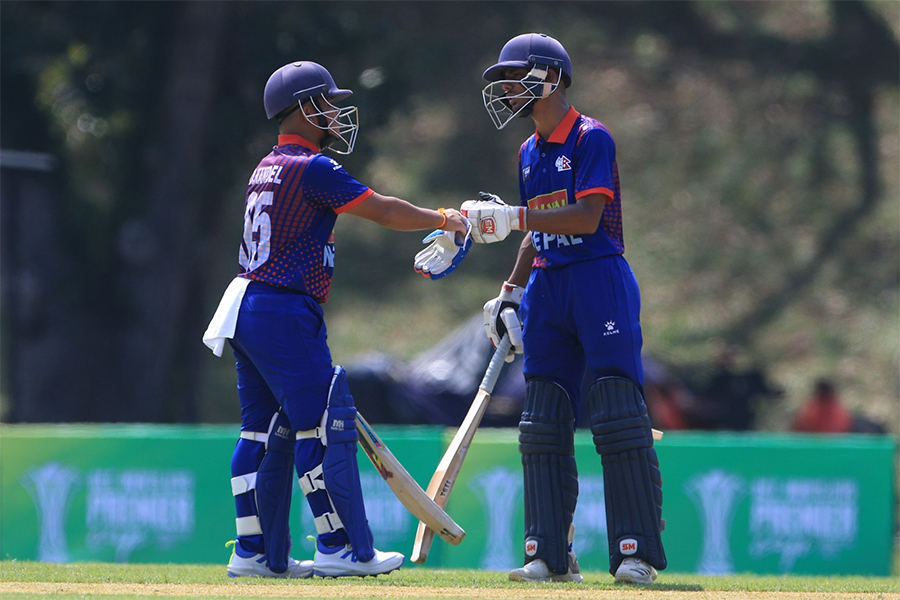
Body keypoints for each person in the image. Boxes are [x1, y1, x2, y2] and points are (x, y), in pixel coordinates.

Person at [202, 61, 469, 578]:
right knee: (324, 425)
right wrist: (443, 218)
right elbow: (383, 210)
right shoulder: (312, 167)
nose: (334, 113)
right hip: (282, 307)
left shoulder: (266, 165)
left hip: (246, 306)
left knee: (260, 433)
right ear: (303, 107)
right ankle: (341, 547)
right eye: (326, 102)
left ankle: (255, 553)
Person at [461, 33, 666, 584]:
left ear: (549, 77)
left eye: (514, 77)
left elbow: (585, 217)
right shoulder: (528, 151)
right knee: (542, 422)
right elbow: (536, 229)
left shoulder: (590, 137)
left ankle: (635, 553)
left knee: (617, 413)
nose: (506, 89)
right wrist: (510, 289)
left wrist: (515, 217)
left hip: (598, 279)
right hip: (548, 286)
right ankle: (549, 554)